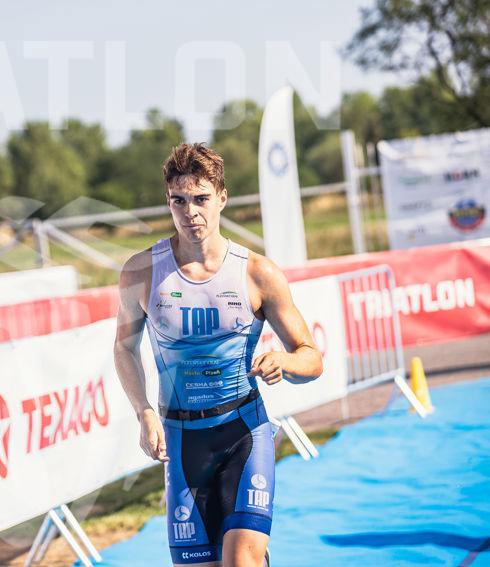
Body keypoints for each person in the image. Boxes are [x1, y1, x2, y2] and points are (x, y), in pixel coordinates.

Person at [114, 143, 323, 567]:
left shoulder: (257, 273)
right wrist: (143, 412)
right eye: (179, 200)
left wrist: (284, 362)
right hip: (181, 441)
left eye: (201, 199)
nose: (191, 212)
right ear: (168, 202)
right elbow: (123, 347)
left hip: (243, 432)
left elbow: (311, 358)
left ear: (222, 198)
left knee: (240, 561)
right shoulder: (141, 271)